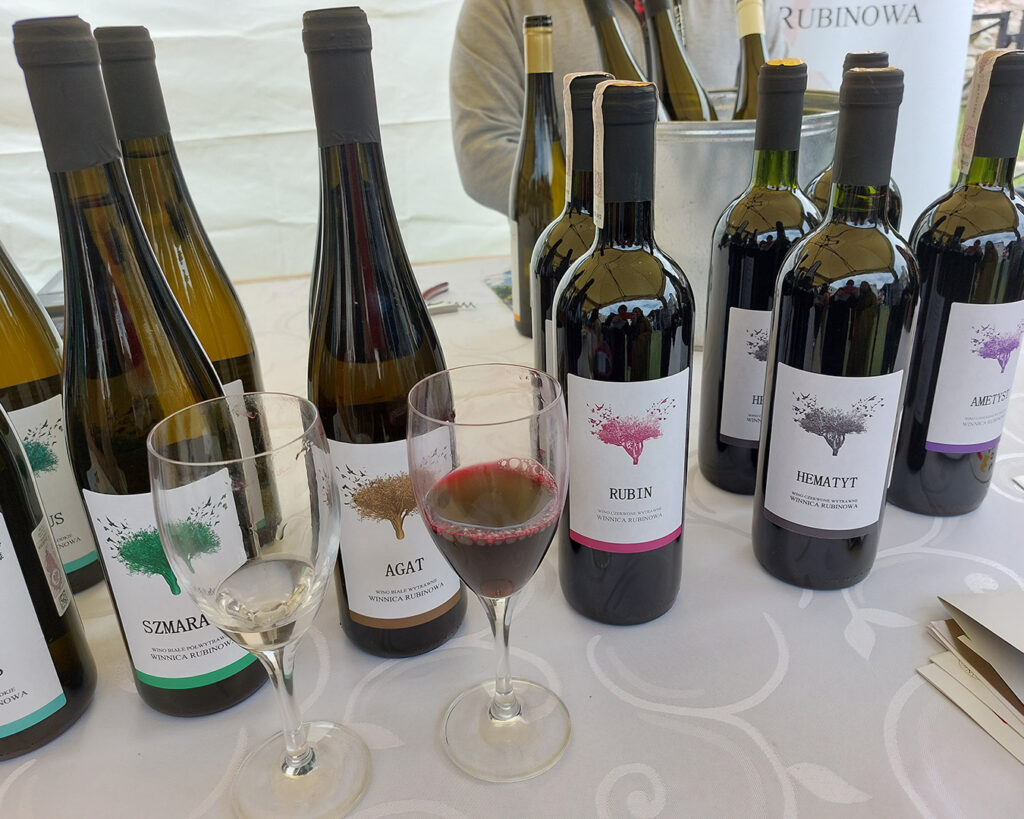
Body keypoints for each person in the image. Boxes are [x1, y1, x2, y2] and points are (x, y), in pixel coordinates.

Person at [450, 0, 786, 213]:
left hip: (718, 251)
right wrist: (603, 209)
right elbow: (482, 152)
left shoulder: (752, 5)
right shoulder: (501, 5)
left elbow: (780, 124)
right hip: (582, 264)